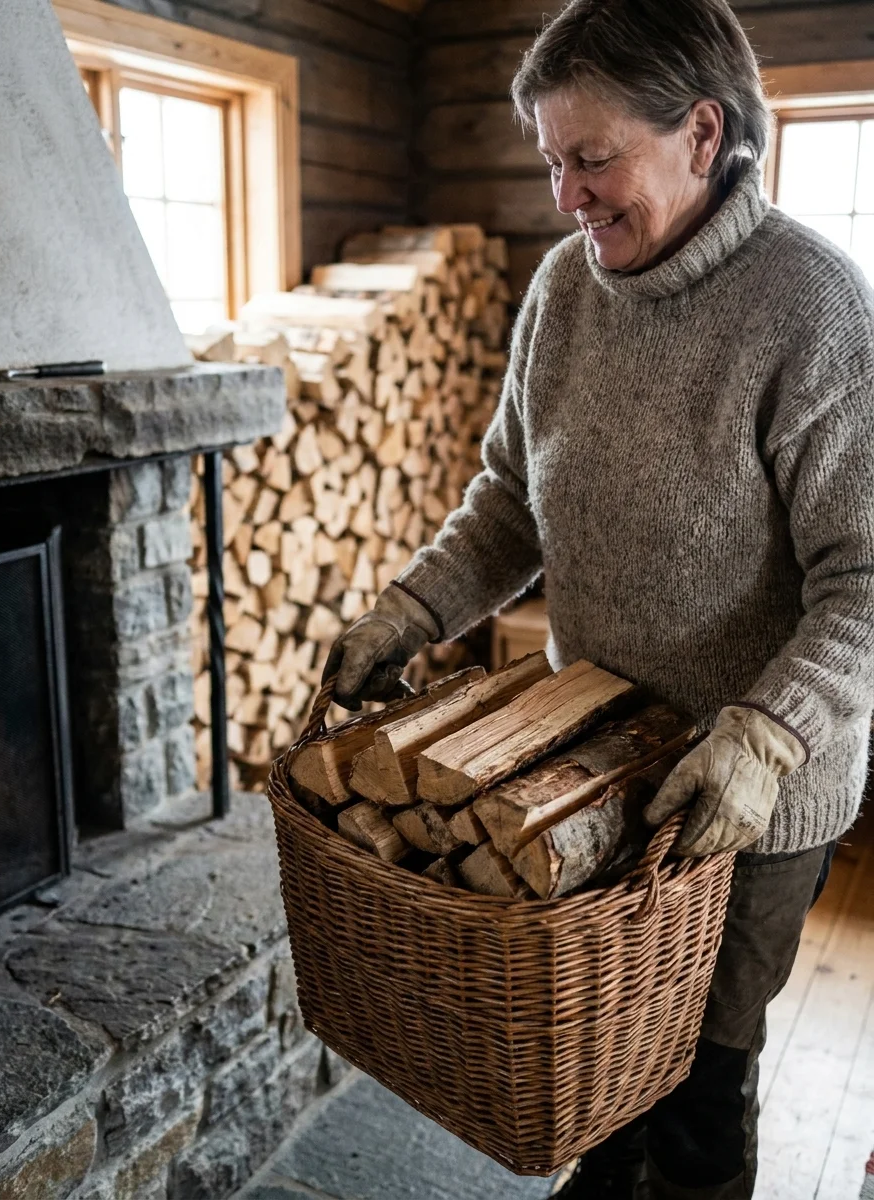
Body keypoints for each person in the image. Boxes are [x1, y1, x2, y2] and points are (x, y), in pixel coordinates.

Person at [322, 0, 874, 1194]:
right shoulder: (564, 294)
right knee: (603, 1078)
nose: (564, 196)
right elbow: (510, 498)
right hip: (600, 762)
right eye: (549, 162)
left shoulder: (813, 309)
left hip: (747, 801)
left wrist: (767, 734)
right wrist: (410, 612)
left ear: (701, 132)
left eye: (591, 158)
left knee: (691, 1099)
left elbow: (865, 576)